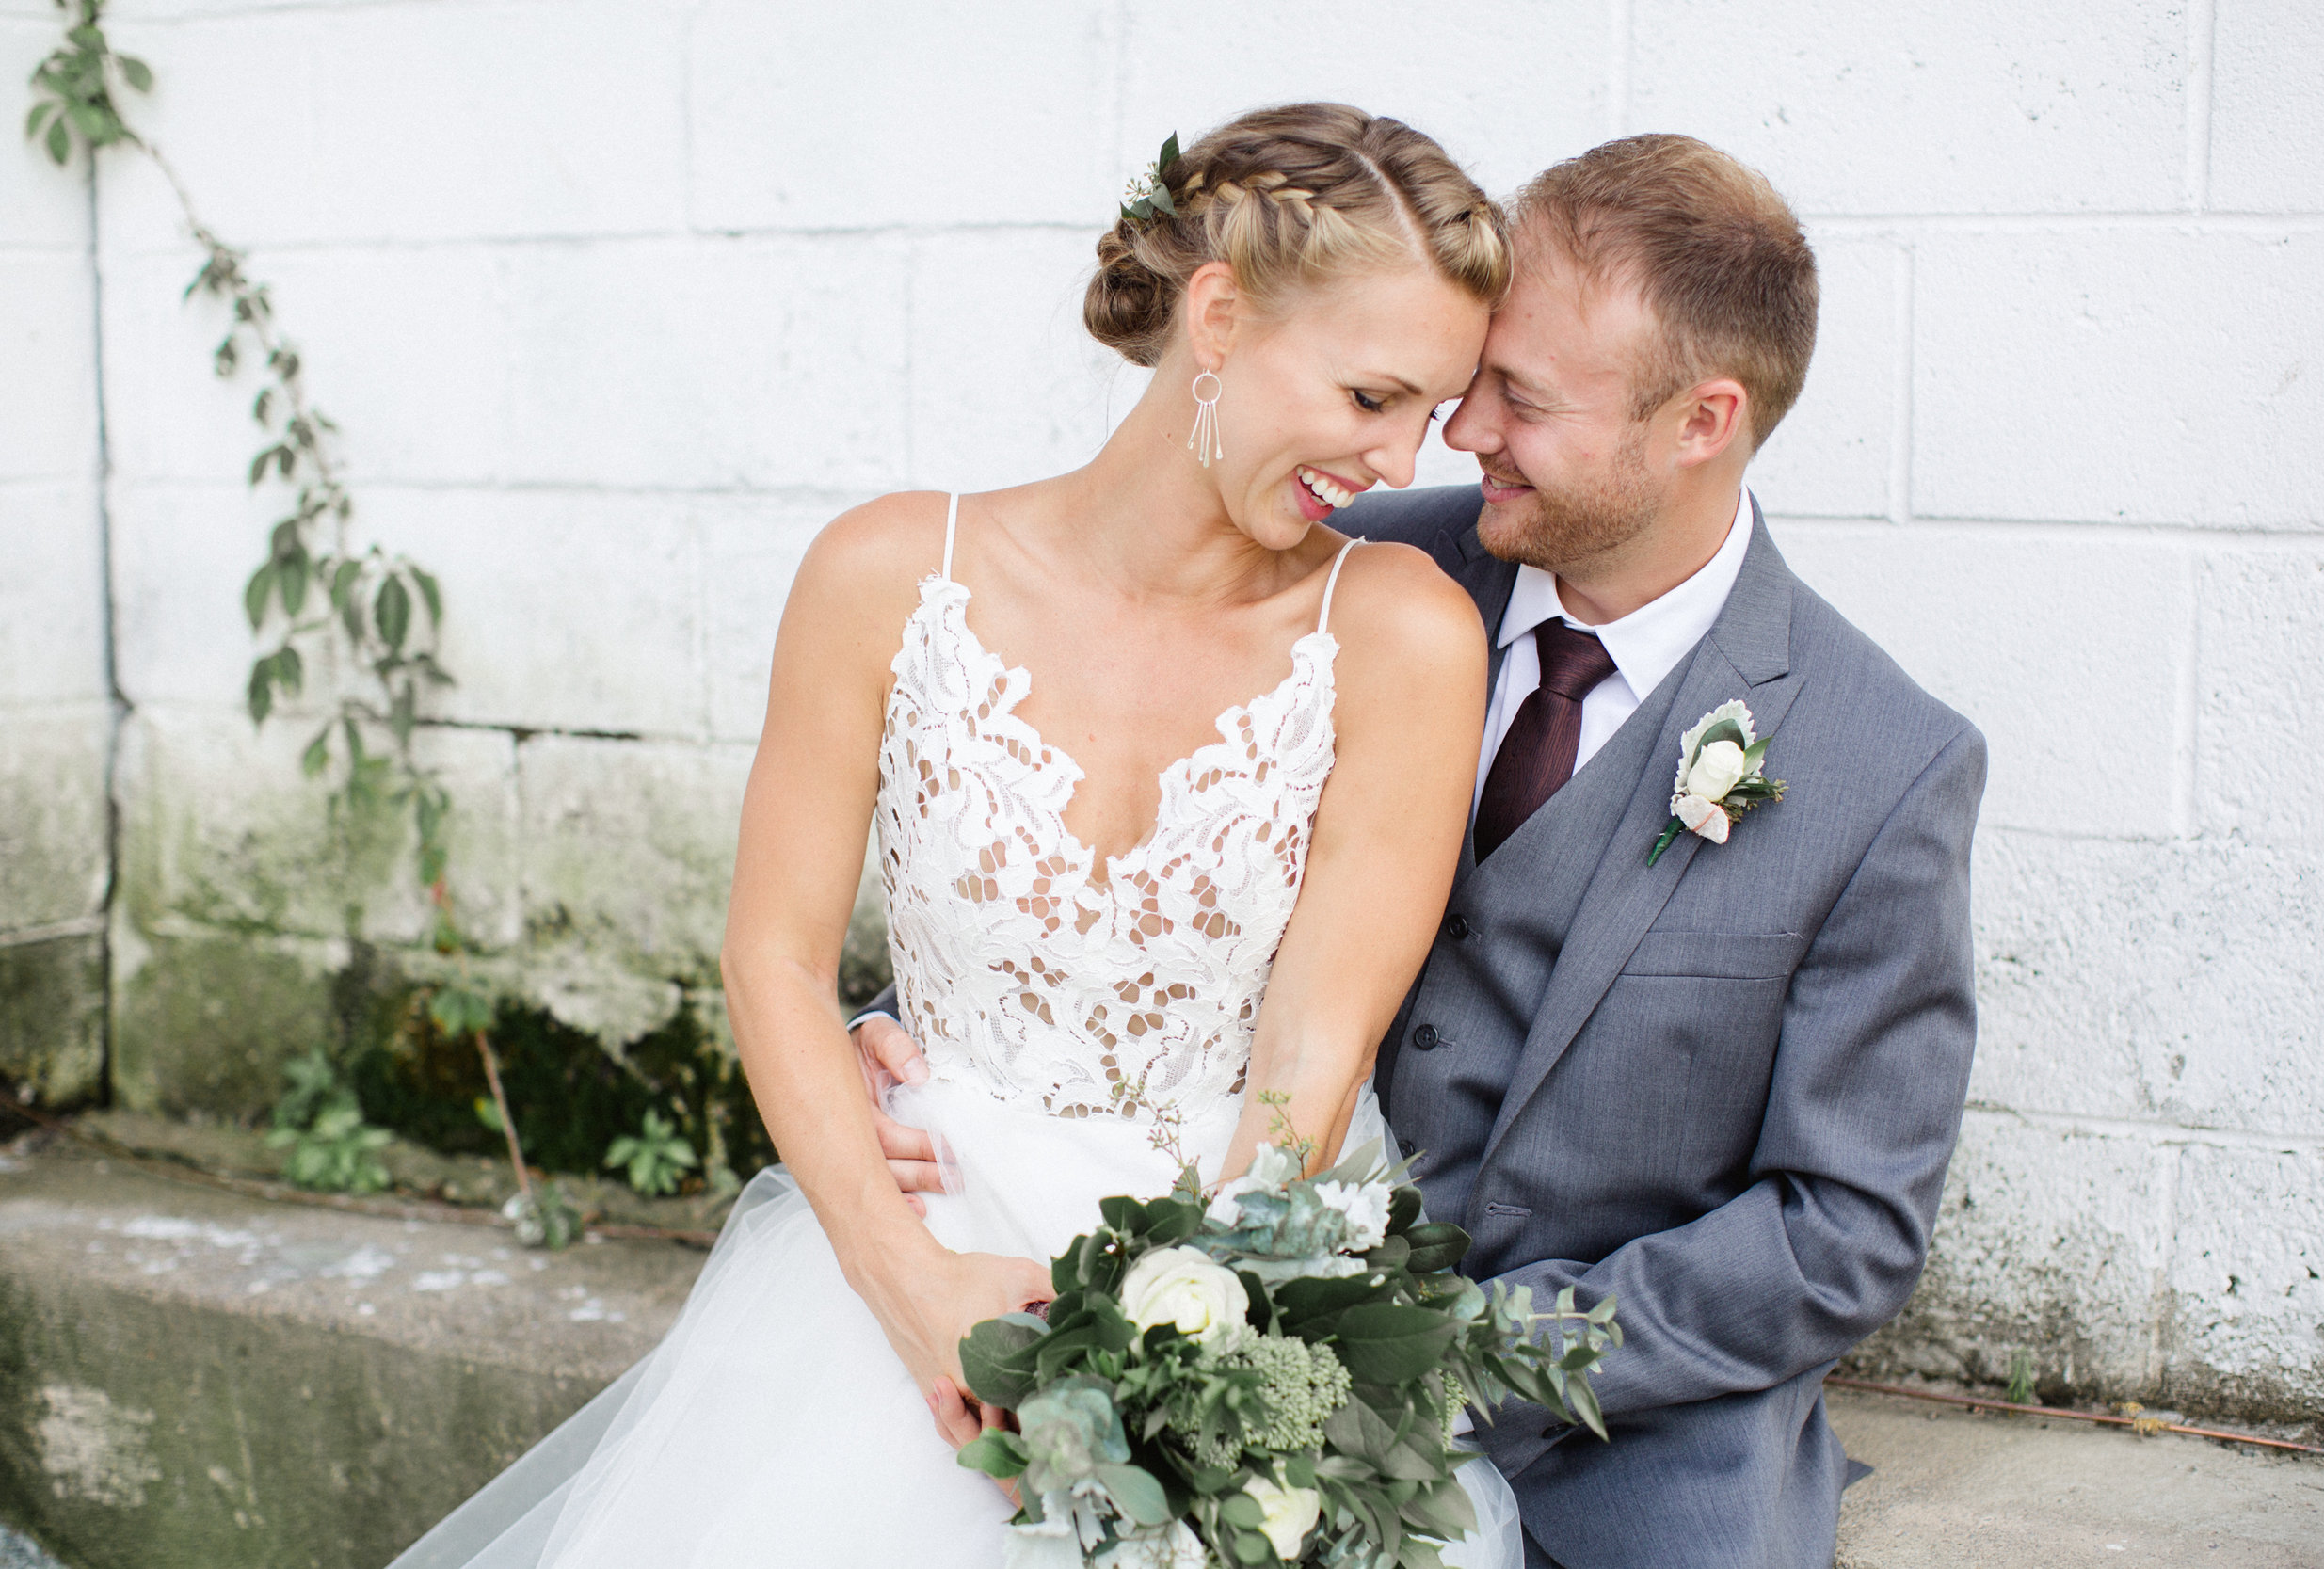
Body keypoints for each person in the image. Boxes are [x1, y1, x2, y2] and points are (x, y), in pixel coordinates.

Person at [388, 104, 1531, 1569]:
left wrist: (1208, 1342)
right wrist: (912, 1286)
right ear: (1222, 313)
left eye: (1426, 414)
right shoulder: (884, 575)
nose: (1395, 457)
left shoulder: (1400, 632)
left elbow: (1317, 1041)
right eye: (1370, 393)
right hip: (907, 1238)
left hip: (1244, 1242)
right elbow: (775, 959)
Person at [868, 135, 1988, 1569]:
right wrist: (935, 1036)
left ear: (1702, 421)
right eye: (1464, 389)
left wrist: (1441, 1356)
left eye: (1517, 400)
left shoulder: (1882, 764)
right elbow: (1092, 809)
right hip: (1209, 1308)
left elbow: (1843, 1233)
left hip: (1621, 1436)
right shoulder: (1345, 566)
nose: (1457, 437)